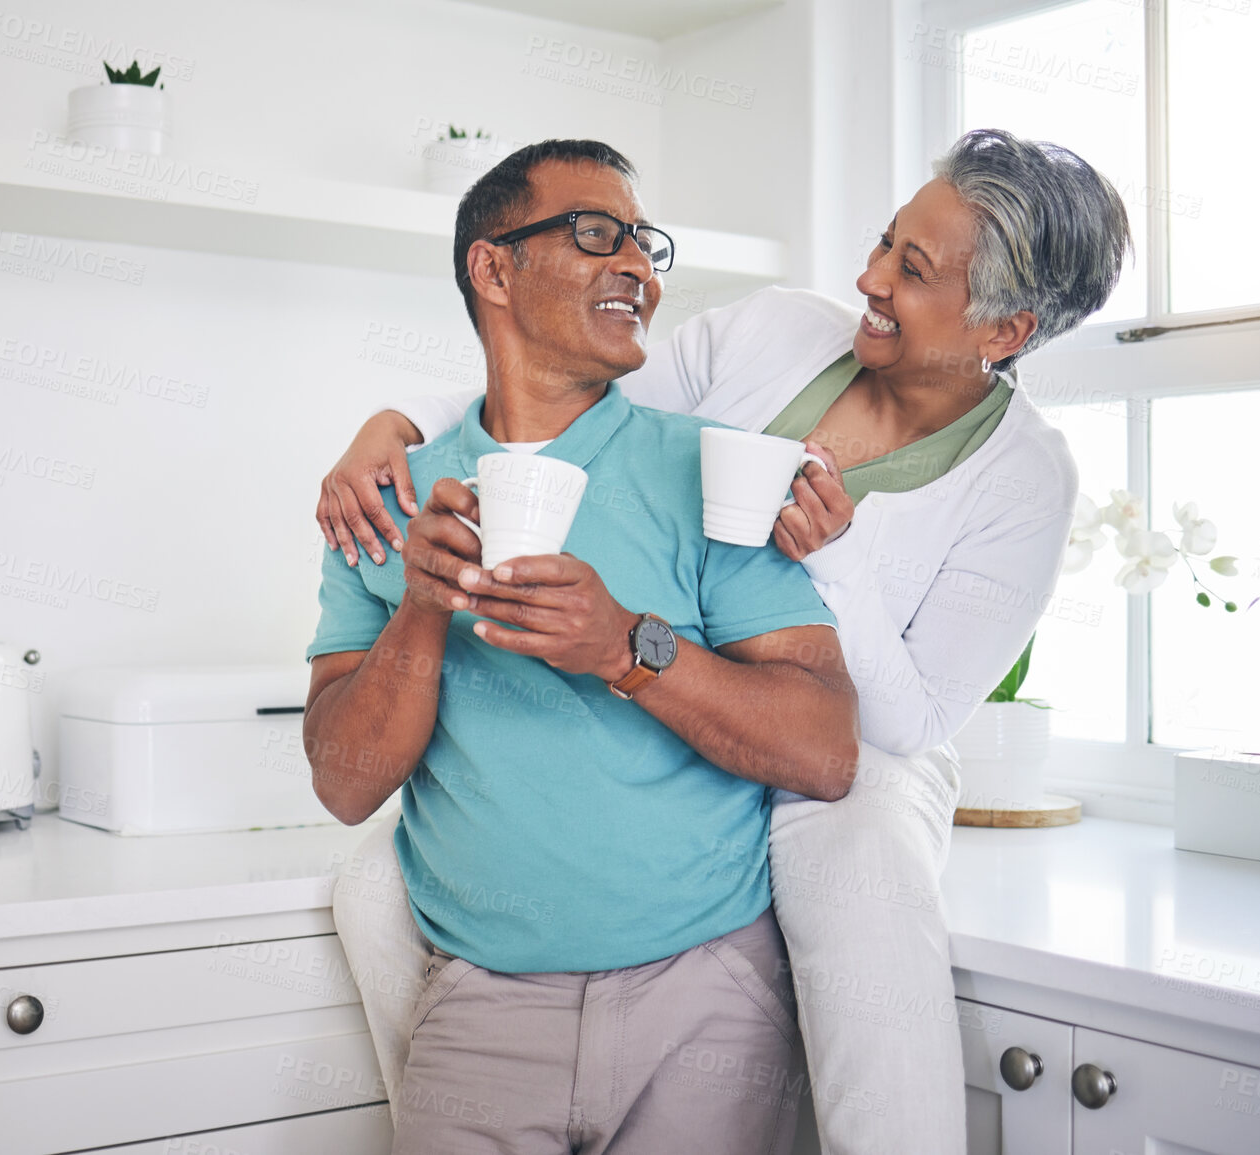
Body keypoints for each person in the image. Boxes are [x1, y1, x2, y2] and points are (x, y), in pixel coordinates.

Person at [321, 128, 1129, 1153]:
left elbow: (911, 720)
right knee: (373, 879)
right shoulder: (779, 333)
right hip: (694, 673)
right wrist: (389, 425)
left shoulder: (1026, 480)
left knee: (858, 861)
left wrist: (828, 558)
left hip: (857, 747)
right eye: (886, 241)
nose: (867, 277)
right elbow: (567, 396)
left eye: (911, 270)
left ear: (1004, 330)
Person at [305, 138, 860, 1154]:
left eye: (647, 245)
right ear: (493, 268)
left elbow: (826, 747)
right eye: (598, 235)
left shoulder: (711, 473)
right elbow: (344, 784)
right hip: (479, 1010)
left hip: (706, 1002)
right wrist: (422, 608)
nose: (640, 269)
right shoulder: (385, 506)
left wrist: (626, 648)